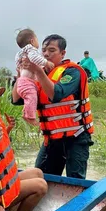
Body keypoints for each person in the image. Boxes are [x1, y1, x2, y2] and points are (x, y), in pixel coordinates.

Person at [12, 34, 94, 179]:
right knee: (39, 178)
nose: (46, 54)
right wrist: (21, 76)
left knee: (75, 181)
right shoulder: (37, 74)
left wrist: (37, 71)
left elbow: (56, 94)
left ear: (62, 53)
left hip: (76, 138)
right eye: (43, 50)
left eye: (51, 50)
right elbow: (15, 99)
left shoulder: (73, 72)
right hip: (52, 139)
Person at [14, 29, 54, 126]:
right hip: (27, 82)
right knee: (32, 97)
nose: (45, 54)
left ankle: (26, 112)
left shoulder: (21, 53)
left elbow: (17, 62)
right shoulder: (31, 50)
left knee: (29, 99)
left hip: (22, 82)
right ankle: (30, 117)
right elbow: (34, 58)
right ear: (32, 41)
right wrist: (46, 63)